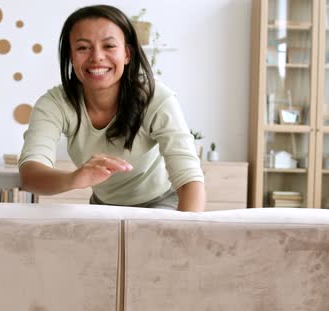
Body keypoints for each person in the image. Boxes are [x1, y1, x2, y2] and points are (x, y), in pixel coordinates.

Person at [18, 4, 205, 212]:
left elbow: (189, 179)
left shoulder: (156, 97)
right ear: (71, 56)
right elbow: (30, 175)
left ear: (126, 54)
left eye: (109, 46)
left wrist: (185, 235)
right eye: (82, 47)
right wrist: (74, 178)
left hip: (163, 201)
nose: (96, 56)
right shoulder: (54, 104)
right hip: (102, 205)